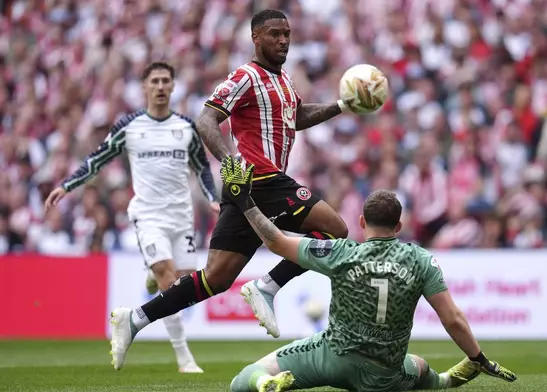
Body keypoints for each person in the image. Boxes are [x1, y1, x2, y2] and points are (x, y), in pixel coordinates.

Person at [108, 9, 357, 370]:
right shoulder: (245, 76)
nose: (283, 40)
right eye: (274, 34)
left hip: (249, 188)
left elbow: (297, 118)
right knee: (336, 230)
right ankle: (266, 287)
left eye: (286, 34)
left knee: (217, 278)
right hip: (261, 179)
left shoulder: (284, 80)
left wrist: (341, 106)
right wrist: (228, 162)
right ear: (256, 38)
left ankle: (135, 319)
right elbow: (207, 119)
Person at [218, 156, 517, 391]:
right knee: (421, 368)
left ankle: (265, 384)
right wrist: (478, 357)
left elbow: (276, 241)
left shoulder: (341, 252)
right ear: (399, 226)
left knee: (244, 378)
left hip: (332, 358)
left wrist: (244, 199)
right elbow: (452, 318)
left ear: (361, 222)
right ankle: (448, 381)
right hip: (385, 374)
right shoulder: (421, 260)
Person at [45, 62, 218, 374]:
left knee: (184, 289)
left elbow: (202, 167)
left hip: (182, 218)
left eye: (166, 80)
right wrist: (65, 185)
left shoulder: (186, 128)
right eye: (155, 81)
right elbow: (97, 159)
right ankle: (184, 358)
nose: (161, 86)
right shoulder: (129, 126)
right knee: (168, 279)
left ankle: (152, 275)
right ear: (145, 87)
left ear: (173, 86)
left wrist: (212, 199)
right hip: (148, 215)